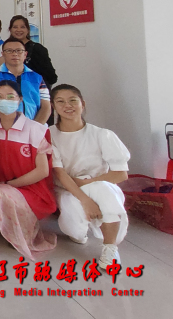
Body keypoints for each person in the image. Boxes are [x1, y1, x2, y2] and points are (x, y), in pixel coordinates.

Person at [49, 84, 130, 270]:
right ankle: (79, 231)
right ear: (53, 106)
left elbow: (121, 173)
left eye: (72, 100)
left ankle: (110, 248)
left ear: (82, 104)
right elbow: (59, 173)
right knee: (76, 230)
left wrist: (89, 183)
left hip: (99, 184)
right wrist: (85, 200)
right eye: (60, 101)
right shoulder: (49, 135)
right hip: (67, 189)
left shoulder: (102, 134)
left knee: (106, 192)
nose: (67, 105)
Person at [0, 81, 58, 259]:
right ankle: (14, 223)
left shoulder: (36, 130)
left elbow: (42, 171)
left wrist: (9, 184)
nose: (4, 100)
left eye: (10, 96)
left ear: (20, 99)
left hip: (30, 190)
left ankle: (23, 223)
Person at [0, 38, 51, 123]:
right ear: (3, 54)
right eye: (9, 51)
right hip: (4, 125)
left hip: (35, 125)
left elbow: (46, 107)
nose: (15, 54)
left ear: (25, 54)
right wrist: (8, 124)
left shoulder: (37, 77)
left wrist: (35, 127)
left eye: (19, 51)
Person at [9, 15, 58, 88]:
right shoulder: (6, 48)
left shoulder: (38, 49)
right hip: (12, 90)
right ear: (10, 30)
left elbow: (51, 77)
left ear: (28, 30)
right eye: (15, 27)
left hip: (34, 91)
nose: (19, 30)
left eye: (22, 27)